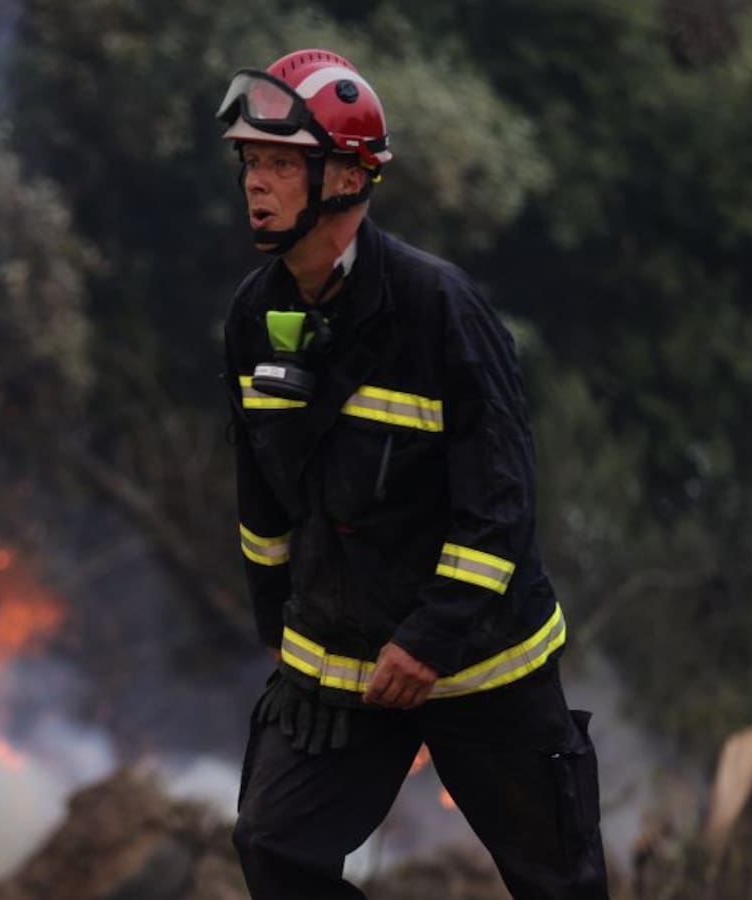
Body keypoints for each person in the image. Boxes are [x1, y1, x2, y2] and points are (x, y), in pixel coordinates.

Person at [218, 49, 610, 899]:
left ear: (349, 176)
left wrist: (430, 639)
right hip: (340, 663)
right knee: (274, 847)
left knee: (560, 886)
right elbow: (262, 503)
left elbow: (500, 500)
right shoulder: (256, 317)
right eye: (252, 162)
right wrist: (284, 634)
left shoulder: (442, 311)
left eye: (283, 162)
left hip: (483, 667)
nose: (258, 183)